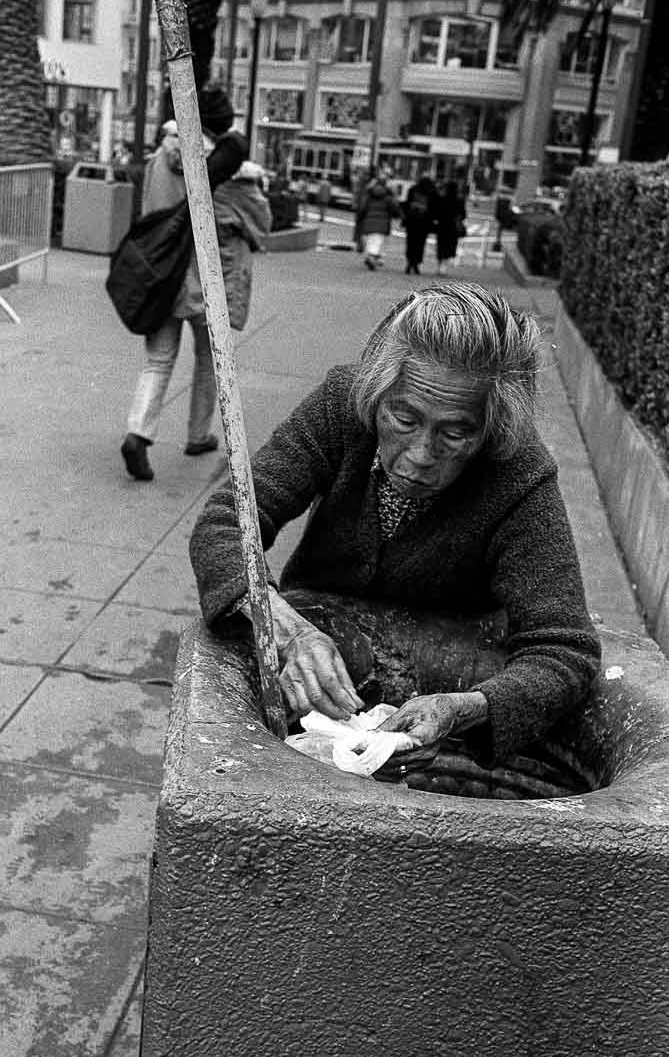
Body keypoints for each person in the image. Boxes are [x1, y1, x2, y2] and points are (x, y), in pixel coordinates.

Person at [189, 282, 601, 792]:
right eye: (404, 419)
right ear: (377, 396)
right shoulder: (342, 408)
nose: (422, 454)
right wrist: (288, 632)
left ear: (490, 426)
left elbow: (564, 650)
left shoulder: (518, 475)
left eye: (455, 433)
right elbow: (228, 523)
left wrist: (465, 708)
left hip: (438, 695)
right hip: (318, 649)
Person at [121, 88, 247, 483]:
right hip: (200, 279)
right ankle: (197, 434)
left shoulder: (156, 159)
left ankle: (138, 434)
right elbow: (240, 216)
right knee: (209, 359)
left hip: (160, 278)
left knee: (158, 361)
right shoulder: (213, 163)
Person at [210, 159, 272, 332]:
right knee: (214, 331)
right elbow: (263, 224)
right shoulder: (245, 192)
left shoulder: (211, 182)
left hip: (192, 258)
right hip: (231, 257)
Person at [355, 169, 399, 270]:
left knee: (370, 241)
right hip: (382, 224)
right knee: (377, 241)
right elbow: (394, 209)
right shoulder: (388, 197)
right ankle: (372, 258)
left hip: (368, 222)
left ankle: (371, 257)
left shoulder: (369, 196)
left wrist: (360, 219)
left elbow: (362, 208)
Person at [403, 174, 437, 275]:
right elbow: (434, 208)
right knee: (420, 244)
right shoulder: (431, 192)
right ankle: (416, 263)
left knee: (410, 242)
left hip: (412, 221)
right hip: (424, 222)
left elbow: (407, 204)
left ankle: (409, 263)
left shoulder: (413, 190)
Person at [434, 176, 466, 275]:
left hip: (442, 226)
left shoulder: (442, 199)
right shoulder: (459, 200)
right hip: (453, 227)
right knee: (449, 246)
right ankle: (444, 266)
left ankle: (440, 266)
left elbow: (437, 213)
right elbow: (463, 214)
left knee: (441, 245)